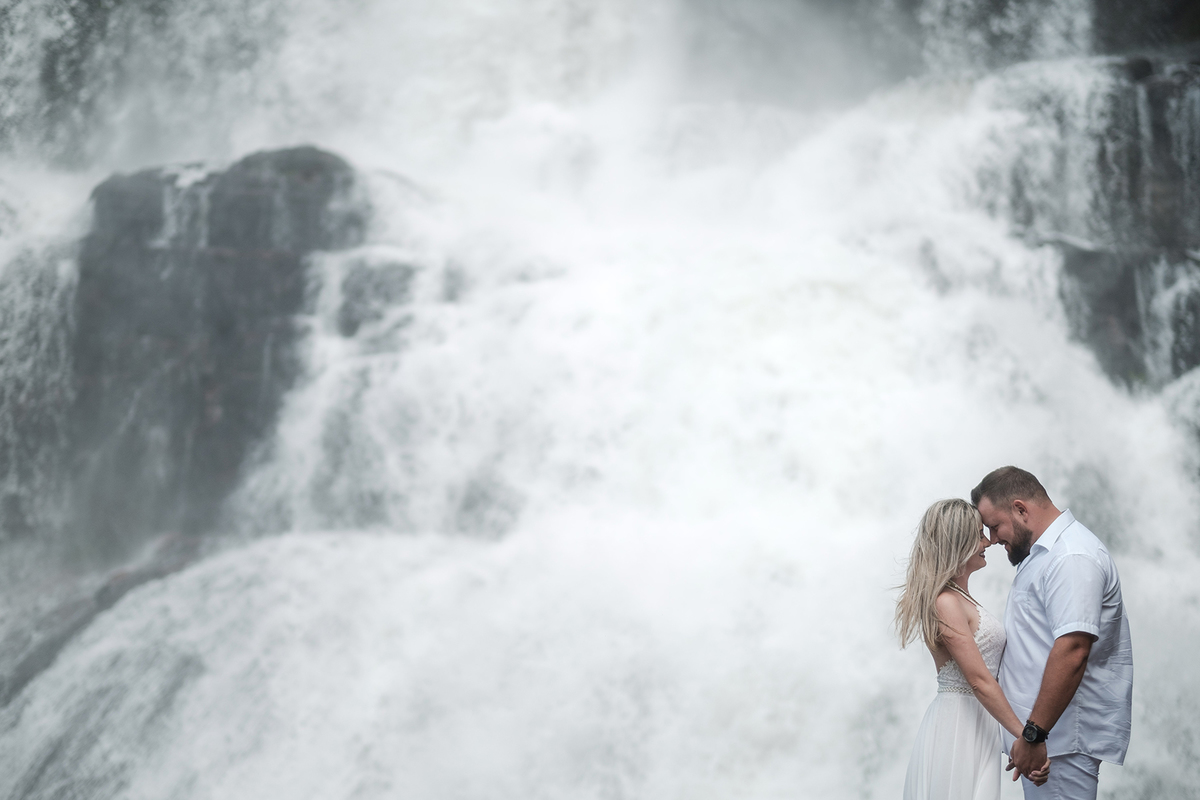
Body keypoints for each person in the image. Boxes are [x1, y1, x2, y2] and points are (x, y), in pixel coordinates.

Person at [972, 466, 1133, 800]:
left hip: (1057, 741)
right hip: (1047, 739)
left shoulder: (1071, 556)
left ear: (1020, 509)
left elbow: (1074, 649)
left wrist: (1034, 734)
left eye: (995, 526)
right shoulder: (1046, 555)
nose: (992, 538)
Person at [896, 498, 1049, 800]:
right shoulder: (945, 602)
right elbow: (979, 680)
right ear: (958, 543)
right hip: (957, 727)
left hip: (978, 723)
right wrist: (1027, 737)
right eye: (979, 535)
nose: (988, 542)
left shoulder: (960, 599)